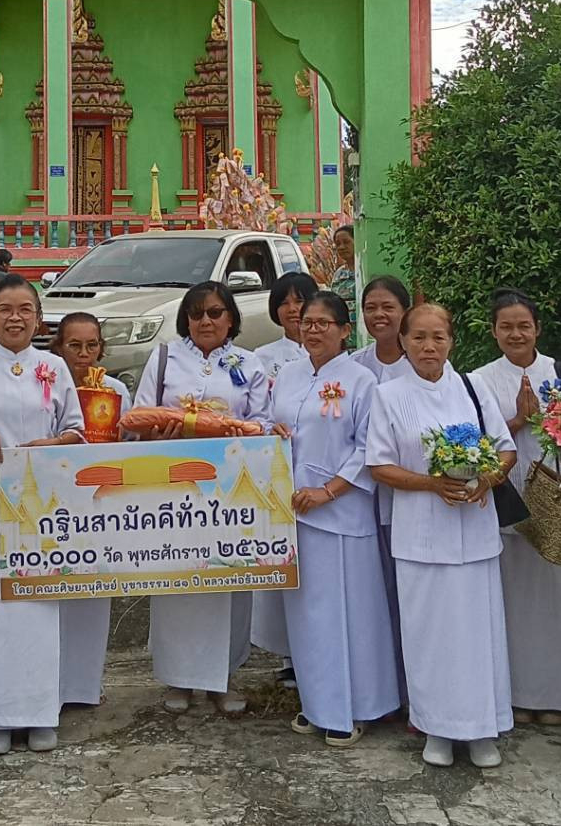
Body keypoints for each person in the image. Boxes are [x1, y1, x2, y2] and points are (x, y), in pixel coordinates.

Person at [367, 303, 516, 769]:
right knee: (428, 636)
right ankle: (435, 728)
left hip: (474, 533)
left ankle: (481, 730)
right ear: (404, 342)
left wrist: (486, 479)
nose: (428, 347)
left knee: (478, 634)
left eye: (438, 337)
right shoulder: (388, 396)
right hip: (421, 536)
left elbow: (505, 449)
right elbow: (379, 464)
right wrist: (431, 483)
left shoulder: (473, 389)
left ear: (452, 341)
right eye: (418, 338)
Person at [0, 276, 85, 753]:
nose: (15, 318)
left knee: (39, 610)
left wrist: (50, 446)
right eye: (5, 309)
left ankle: (41, 712)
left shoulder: (54, 366)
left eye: (25, 309)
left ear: (38, 318)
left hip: (42, 513)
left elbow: (75, 430)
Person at [131, 281, 268, 715]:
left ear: (231, 318)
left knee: (225, 579)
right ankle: (179, 678)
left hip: (230, 489)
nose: (205, 321)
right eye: (196, 314)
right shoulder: (166, 356)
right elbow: (137, 417)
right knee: (179, 578)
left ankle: (223, 678)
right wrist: (164, 430)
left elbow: (261, 421)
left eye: (214, 312)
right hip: (175, 484)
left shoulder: (250, 364)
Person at [272, 291, 399, 745]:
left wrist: (329, 491)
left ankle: (357, 707)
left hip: (342, 516)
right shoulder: (287, 375)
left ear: (345, 331)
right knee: (309, 618)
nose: (313, 329)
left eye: (324, 323)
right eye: (307, 321)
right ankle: (318, 701)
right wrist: (275, 431)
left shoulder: (361, 380)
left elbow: (369, 447)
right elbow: (272, 426)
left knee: (350, 615)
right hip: (293, 513)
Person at [469, 289, 561, 727]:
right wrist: (516, 421)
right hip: (506, 497)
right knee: (510, 598)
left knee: (557, 595)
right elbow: (474, 442)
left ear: (537, 328)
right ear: (495, 331)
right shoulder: (478, 379)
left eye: (524, 326)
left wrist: (549, 421)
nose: (516, 334)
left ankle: (556, 694)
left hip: (556, 498)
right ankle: (514, 693)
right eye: (506, 326)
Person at [49, 312, 130, 708]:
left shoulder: (115, 389)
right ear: (59, 347)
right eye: (74, 345)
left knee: (94, 591)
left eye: (91, 345)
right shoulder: (46, 384)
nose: (83, 354)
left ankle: (84, 684)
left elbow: (127, 440)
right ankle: (51, 684)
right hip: (52, 503)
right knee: (53, 591)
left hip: (100, 503)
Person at [250, 271, 318, 684]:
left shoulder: (337, 358)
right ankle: (289, 654)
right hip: (278, 472)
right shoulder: (260, 357)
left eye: (302, 301)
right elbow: (255, 414)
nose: (293, 310)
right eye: (285, 302)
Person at [353, 274, 413, 703]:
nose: (379, 315)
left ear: (404, 312)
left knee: (406, 594)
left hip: (407, 498)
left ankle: (412, 690)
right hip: (358, 499)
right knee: (371, 596)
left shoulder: (425, 364)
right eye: (371, 307)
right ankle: (378, 689)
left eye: (388, 307)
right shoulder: (354, 366)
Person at [329, 225, 357, 328]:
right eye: (338, 244)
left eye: (346, 242)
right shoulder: (338, 274)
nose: (341, 247)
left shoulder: (365, 271)